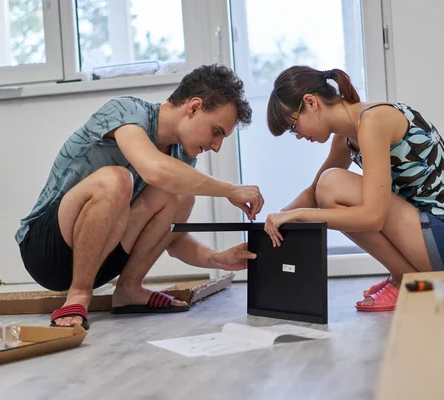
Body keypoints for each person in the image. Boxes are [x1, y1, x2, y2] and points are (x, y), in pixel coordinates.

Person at [15, 64, 264, 330]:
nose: (216, 146)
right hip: (46, 249)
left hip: (100, 257)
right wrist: (230, 190)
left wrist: (217, 259)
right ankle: (77, 295)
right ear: (193, 107)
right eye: (217, 132)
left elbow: (170, 237)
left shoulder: (180, 157)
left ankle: (129, 289)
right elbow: (153, 169)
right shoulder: (127, 111)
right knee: (116, 179)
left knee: (180, 195)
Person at [263, 65, 444, 312]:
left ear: (311, 103)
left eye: (294, 127)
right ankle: (407, 278)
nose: (299, 136)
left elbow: (373, 216)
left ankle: (405, 281)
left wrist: (300, 216)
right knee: (327, 185)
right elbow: (314, 193)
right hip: (433, 236)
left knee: (332, 184)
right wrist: (278, 218)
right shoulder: (346, 137)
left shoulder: (373, 120)